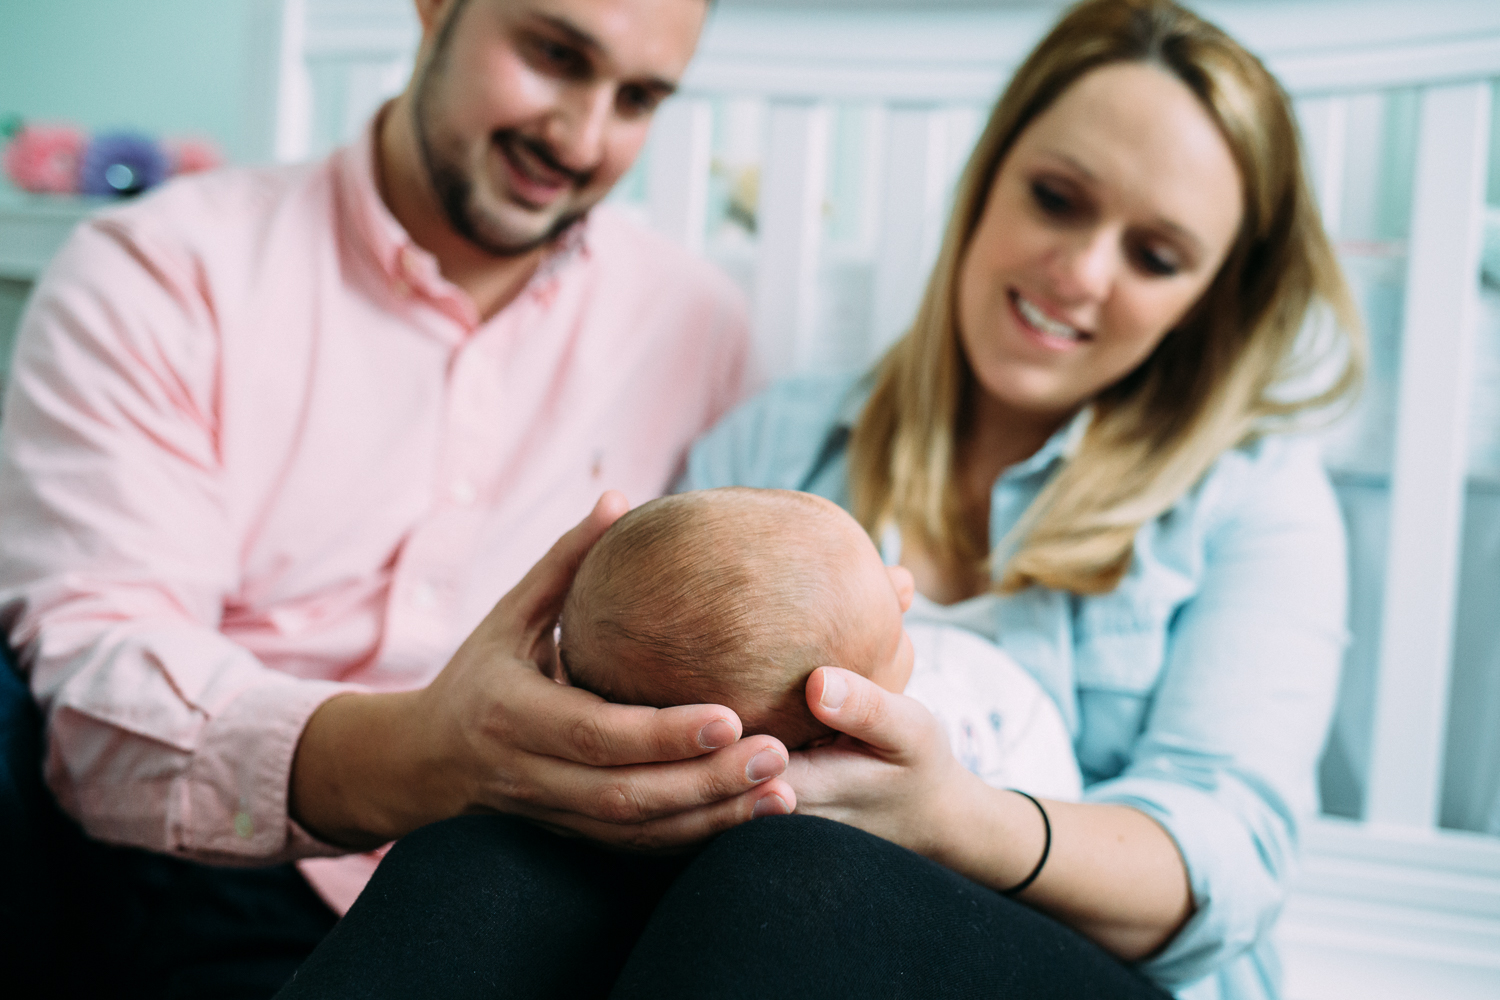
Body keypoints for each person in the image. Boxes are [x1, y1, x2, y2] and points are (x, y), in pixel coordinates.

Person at [274, 0, 1363, 997]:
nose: (1080, 271)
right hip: (747, 913)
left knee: (796, 874)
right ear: (988, 179)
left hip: (1065, 954)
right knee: (484, 854)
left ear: (1211, 299)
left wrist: (959, 823)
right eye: (1055, 198)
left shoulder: (1253, 502)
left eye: (1157, 255)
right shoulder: (783, 434)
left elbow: (1231, 852)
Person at [0, 0, 802, 994]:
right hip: (220, 871)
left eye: (637, 98)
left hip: (552, 898)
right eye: (554, 55)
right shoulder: (159, 277)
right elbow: (97, 694)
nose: (583, 138)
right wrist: (425, 759)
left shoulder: (699, 330)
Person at [558, 487, 1082, 797]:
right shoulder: (953, 744)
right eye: (894, 639)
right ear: (841, 735)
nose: (905, 588)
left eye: (881, 565)